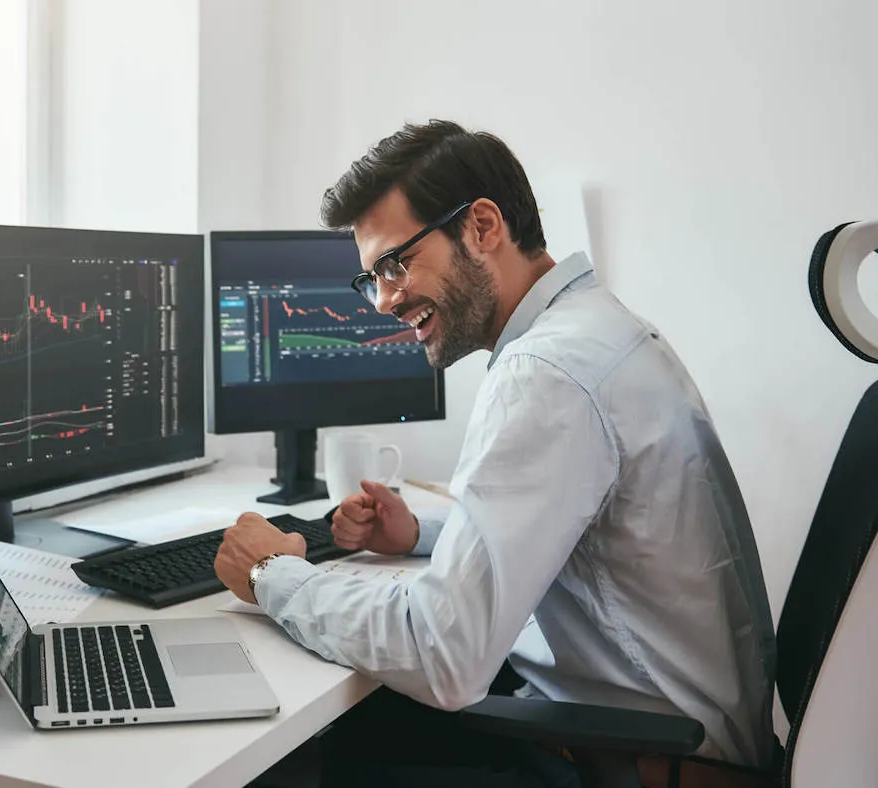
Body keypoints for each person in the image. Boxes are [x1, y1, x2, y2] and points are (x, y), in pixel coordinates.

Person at [213, 119, 779, 788]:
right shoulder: (598, 330)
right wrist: (420, 535)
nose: (386, 300)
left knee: (295, 763)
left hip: (640, 764)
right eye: (372, 279)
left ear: (483, 227)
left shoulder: (545, 373)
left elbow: (443, 654)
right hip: (681, 737)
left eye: (395, 263)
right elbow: (582, 525)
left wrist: (274, 575)